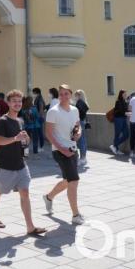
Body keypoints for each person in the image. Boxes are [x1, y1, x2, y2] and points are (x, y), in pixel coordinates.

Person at [0, 90, 47, 236]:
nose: (17, 104)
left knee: (25, 193)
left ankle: (30, 227)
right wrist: (15, 138)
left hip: (21, 164)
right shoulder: (3, 121)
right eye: (14, 101)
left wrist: (26, 140)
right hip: (6, 166)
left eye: (19, 101)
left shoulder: (20, 120)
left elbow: (22, 141)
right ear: (8, 103)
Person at [43, 85, 85, 225]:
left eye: (66, 94)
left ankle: (49, 197)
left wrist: (78, 134)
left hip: (72, 149)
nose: (63, 96)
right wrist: (62, 149)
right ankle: (75, 215)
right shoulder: (53, 111)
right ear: (58, 96)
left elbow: (78, 126)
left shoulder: (75, 110)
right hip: (60, 151)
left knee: (68, 181)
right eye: (61, 94)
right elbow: (48, 133)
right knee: (74, 181)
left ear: (71, 95)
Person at [109, 90, 129, 155]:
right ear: (121, 94)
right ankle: (116, 149)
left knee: (126, 134)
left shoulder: (125, 101)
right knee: (117, 134)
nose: (126, 95)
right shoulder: (118, 101)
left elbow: (126, 110)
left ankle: (114, 145)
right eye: (124, 94)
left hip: (124, 119)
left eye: (126, 94)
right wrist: (127, 113)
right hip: (118, 119)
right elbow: (120, 111)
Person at [74, 90, 90, 167]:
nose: (75, 97)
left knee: (81, 140)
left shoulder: (79, 103)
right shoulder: (83, 103)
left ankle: (82, 158)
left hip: (79, 122)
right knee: (83, 140)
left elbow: (77, 113)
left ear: (79, 95)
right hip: (82, 122)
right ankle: (83, 158)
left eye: (76, 95)